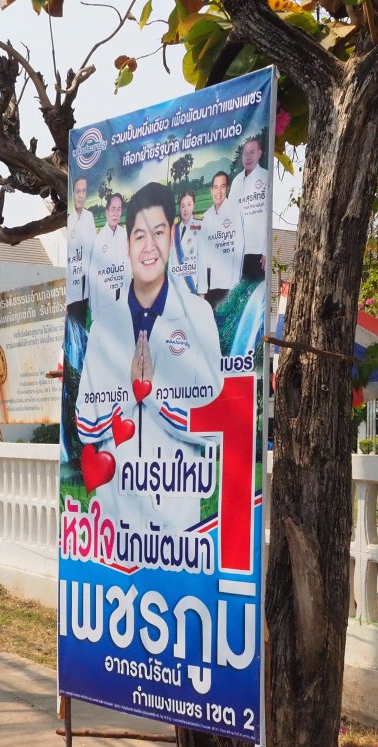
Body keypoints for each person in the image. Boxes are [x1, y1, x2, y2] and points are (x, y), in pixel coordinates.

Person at [75, 182, 222, 533]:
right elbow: (84, 422)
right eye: (139, 236)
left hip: (176, 526)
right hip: (116, 521)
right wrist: (130, 394)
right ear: (127, 244)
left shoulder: (198, 316)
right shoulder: (105, 325)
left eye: (158, 233)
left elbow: (215, 426)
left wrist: (154, 395)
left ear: (171, 235)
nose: (149, 247)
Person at [197, 171, 244, 309]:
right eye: (215, 187)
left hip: (227, 284)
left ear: (227, 189)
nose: (218, 192)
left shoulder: (235, 212)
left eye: (222, 186)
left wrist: (234, 286)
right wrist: (201, 290)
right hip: (207, 285)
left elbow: (239, 248)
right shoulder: (206, 216)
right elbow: (201, 255)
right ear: (211, 190)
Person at [229, 137, 269, 283]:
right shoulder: (236, 181)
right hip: (238, 252)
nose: (248, 157)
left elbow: (267, 216)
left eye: (252, 152)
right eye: (245, 153)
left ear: (259, 153)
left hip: (257, 251)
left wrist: (265, 250)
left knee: (254, 291)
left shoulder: (265, 176)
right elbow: (230, 215)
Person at [87, 192, 130, 322]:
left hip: (122, 304)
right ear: (107, 212)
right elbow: (93, 277)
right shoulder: (99, 239)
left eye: (119, 209)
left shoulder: (124, 235)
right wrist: (95, 311)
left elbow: (127, 271)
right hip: (104, 306)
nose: (116, 213)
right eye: (113, 209)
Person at [66, 177, 97, 325]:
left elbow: (94, 248)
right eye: (77, 191)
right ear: (73, 194)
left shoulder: (89, 217)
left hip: (88, 281)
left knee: (86, 321)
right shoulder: (69, 220)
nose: (80, 195)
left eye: (83, 191)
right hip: (73, 285)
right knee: (74, 323)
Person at [169, 190, 200, 296]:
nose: (185, 209)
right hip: (175, 288)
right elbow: (171, 259)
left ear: (194, 206)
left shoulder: (200, 226)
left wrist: (202, 289)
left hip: (193, 287)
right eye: (182, 206)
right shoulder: (173, 229)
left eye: (189, 205)